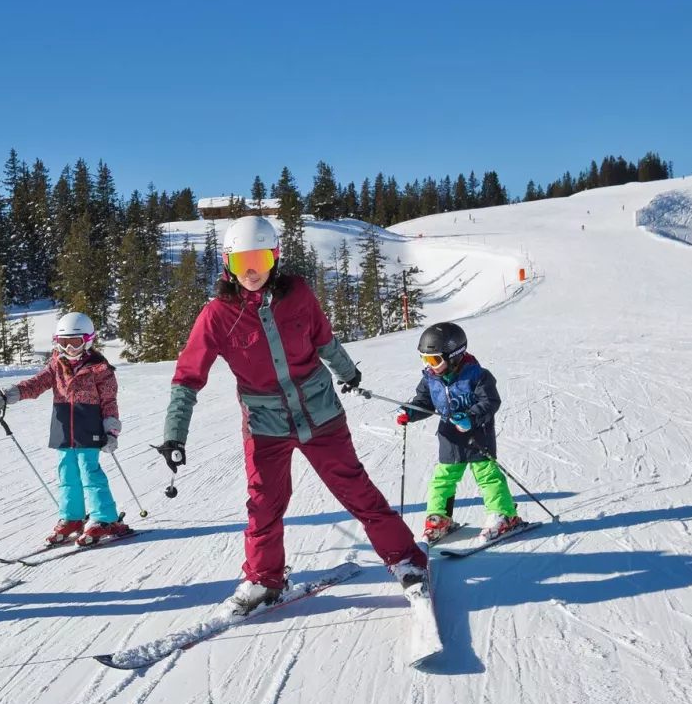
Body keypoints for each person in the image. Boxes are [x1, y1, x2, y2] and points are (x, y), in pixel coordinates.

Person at [159, 216, 429, 615]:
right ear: (227, 264)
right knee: (264, 505)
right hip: (265, 426)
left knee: (357, 490)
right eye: (241, 263)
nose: (252, 272)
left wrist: (348, 372)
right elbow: (187, 377)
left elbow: (323, 337)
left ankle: (406, 559)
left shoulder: (299, 293)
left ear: (275, 258)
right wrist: (174, 433)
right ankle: (265, 580)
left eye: (261, 260)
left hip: (321, 415)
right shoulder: (217, 315)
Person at [0, 312, 130, 546]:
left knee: (90, 474)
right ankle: (72, 517)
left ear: (88, 340)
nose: (69, 348)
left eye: (74, 342)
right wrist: (8, 396)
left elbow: (109, 402)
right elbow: (35, 384)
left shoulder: (100, 369)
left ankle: (104, 519)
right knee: (67, 475)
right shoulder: (56, 365)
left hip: (89, 429)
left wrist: (111, 431)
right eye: (63, 342)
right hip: (63, 430)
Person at [396, 323, 522, 543]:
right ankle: (439, 518)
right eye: (424, 359)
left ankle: (503, 514)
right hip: (449, 436)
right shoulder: (430, 378)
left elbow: (490, 401)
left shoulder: (478, 376)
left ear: (453, 355)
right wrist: (410, 412)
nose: (429, 365)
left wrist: (471, 417)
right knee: (442, 479)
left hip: (477, 433)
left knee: (487, 475)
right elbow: (424, 402)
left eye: (434, 359)